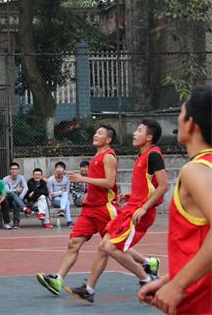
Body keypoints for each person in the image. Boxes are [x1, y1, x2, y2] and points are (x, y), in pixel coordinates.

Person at [67, 119, 168, 302]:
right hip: (131, 208)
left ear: (149, 137)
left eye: (139, 130)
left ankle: (146, 280)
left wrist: (144, 207)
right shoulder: (142, 156)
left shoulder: (154, 155)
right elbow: (150, 185)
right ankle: (89, 289)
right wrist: (133, 195)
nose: (134, 133)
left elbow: (164, 186)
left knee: (111, 247)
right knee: (103, 246)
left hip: (139, 213)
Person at [139, 85, 212, 314]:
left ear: (191, 124)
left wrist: (178, 285)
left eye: (180, 113)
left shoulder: (195, 171)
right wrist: (171, 279)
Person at [36, 125, 120, 295]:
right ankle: (58, 280)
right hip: (90, 209)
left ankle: (146, 264)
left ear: (108, 139)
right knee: (73, 243)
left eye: (100, 133)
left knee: (114, 247)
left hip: (104, 208)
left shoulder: (109, 157)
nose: (95, 134)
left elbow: (109, 183)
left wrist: (83, 179)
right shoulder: (96, 156)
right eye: (96, 132)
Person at [3, 162, 31, 229]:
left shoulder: (21, 177)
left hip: (17, 199)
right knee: (12, 194)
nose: (14, 170)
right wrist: (16, 190)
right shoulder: (5, 179)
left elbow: (26, 188)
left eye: (16, 169)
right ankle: (24, 208)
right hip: (8, 199)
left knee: (15, 202)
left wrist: (20, 198)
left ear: (18, 170)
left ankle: (16, 222)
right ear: (10, 170)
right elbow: (7, 191)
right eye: (12, 169)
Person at [47, 161, 73, 228]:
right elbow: (51, 194)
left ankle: (62, 211)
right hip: (54, 200)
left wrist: (60, 192)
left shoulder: (67, 179)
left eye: (61, 168)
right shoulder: (50, 180)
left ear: (64, 170)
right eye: (57, 168)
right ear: (55, 169)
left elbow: (67, 192)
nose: (59, 169)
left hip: (64, 198)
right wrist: (60, 192)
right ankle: (69, 221)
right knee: (66, 200)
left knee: (66, 199)